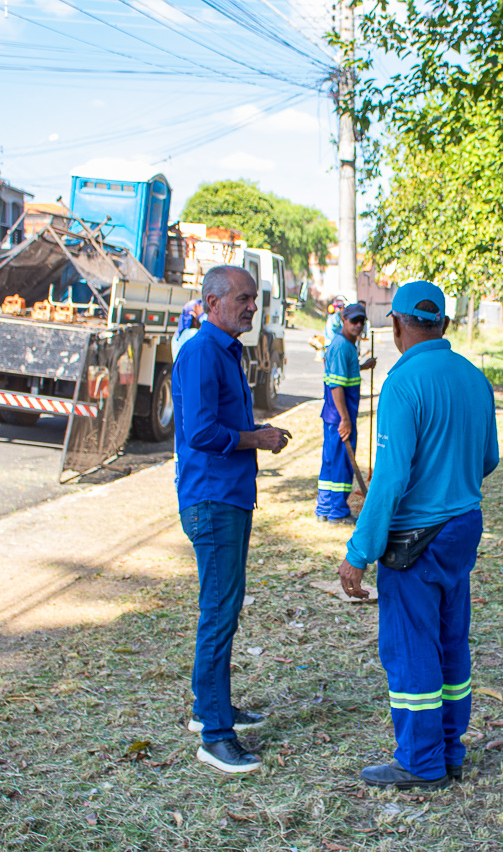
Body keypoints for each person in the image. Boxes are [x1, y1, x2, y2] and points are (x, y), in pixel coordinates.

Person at [336, 280, 500, 791]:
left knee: (411, 648)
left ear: (396, 325)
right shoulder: (475, 378)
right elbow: (488, 459)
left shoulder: (403, 384)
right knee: (451, 640)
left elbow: (389, 479)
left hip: (414, 539)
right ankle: (451, 749)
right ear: (444, 326)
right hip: (463, 527)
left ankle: (420, 761)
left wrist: (358, 552)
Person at [172, 265, 293, 775]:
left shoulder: (224, 350)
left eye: (253, 299)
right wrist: (256, 439)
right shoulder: (201, 352)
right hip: (213, 499)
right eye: (242, 299)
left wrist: (254, 430)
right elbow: (201, 432)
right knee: (219, 614)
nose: (251, 307)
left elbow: (222, 423)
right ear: (211, 303)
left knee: (225, 608)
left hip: (228, 497)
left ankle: (210, 709)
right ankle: (216, 737)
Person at [317, 303, 377, 523]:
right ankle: (338, 512)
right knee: (341, 463)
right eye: (354, 321)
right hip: (339, 417)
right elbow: (336, 387)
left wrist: (362, 366)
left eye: (362, 321)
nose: (358, 325)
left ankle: (324, 508)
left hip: (335, 416)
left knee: (331, 461)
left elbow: (342, 370)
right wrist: (345, 419)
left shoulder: (345, 346)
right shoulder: (342, 346)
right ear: (343, 319)